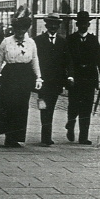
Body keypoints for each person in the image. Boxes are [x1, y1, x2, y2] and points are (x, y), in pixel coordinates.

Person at [0, 11, 42, 147]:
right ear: (13, 29)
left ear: (26, 29)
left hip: (25, 76)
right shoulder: (6, 42)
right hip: (10, 75)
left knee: (21, 106)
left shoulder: (31, 43)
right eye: (17, 29)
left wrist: (38, 77)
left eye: (23, 29)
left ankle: (16, 137)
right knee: (7, 105)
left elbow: (35, 60)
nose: (20, 32)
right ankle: (6, 134)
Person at [65, 11, 100, 145]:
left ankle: (83, 136)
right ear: (77, 24)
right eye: (81, 23)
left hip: (89, 78)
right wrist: (69, 75)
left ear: (88, 25)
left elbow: (99, 58)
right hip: (75, 78)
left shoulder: (93, 40)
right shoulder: (70, 39)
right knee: (73, 105)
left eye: (85, 24)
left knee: (87, 108)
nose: (83, 26)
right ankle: (71, 125)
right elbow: (66, 59)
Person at [35, 15, 67, 146]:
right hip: (42, 82)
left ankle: (47, 135)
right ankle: (45, 136)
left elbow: (66, 61)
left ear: (58, 26)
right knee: (44, 107)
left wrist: (68, 77)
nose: (53, 27)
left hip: (56, 82)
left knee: (51, 107)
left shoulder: (63, 41)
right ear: (46, 25)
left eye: (56, 25)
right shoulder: (38, 40)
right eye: (51, 24)